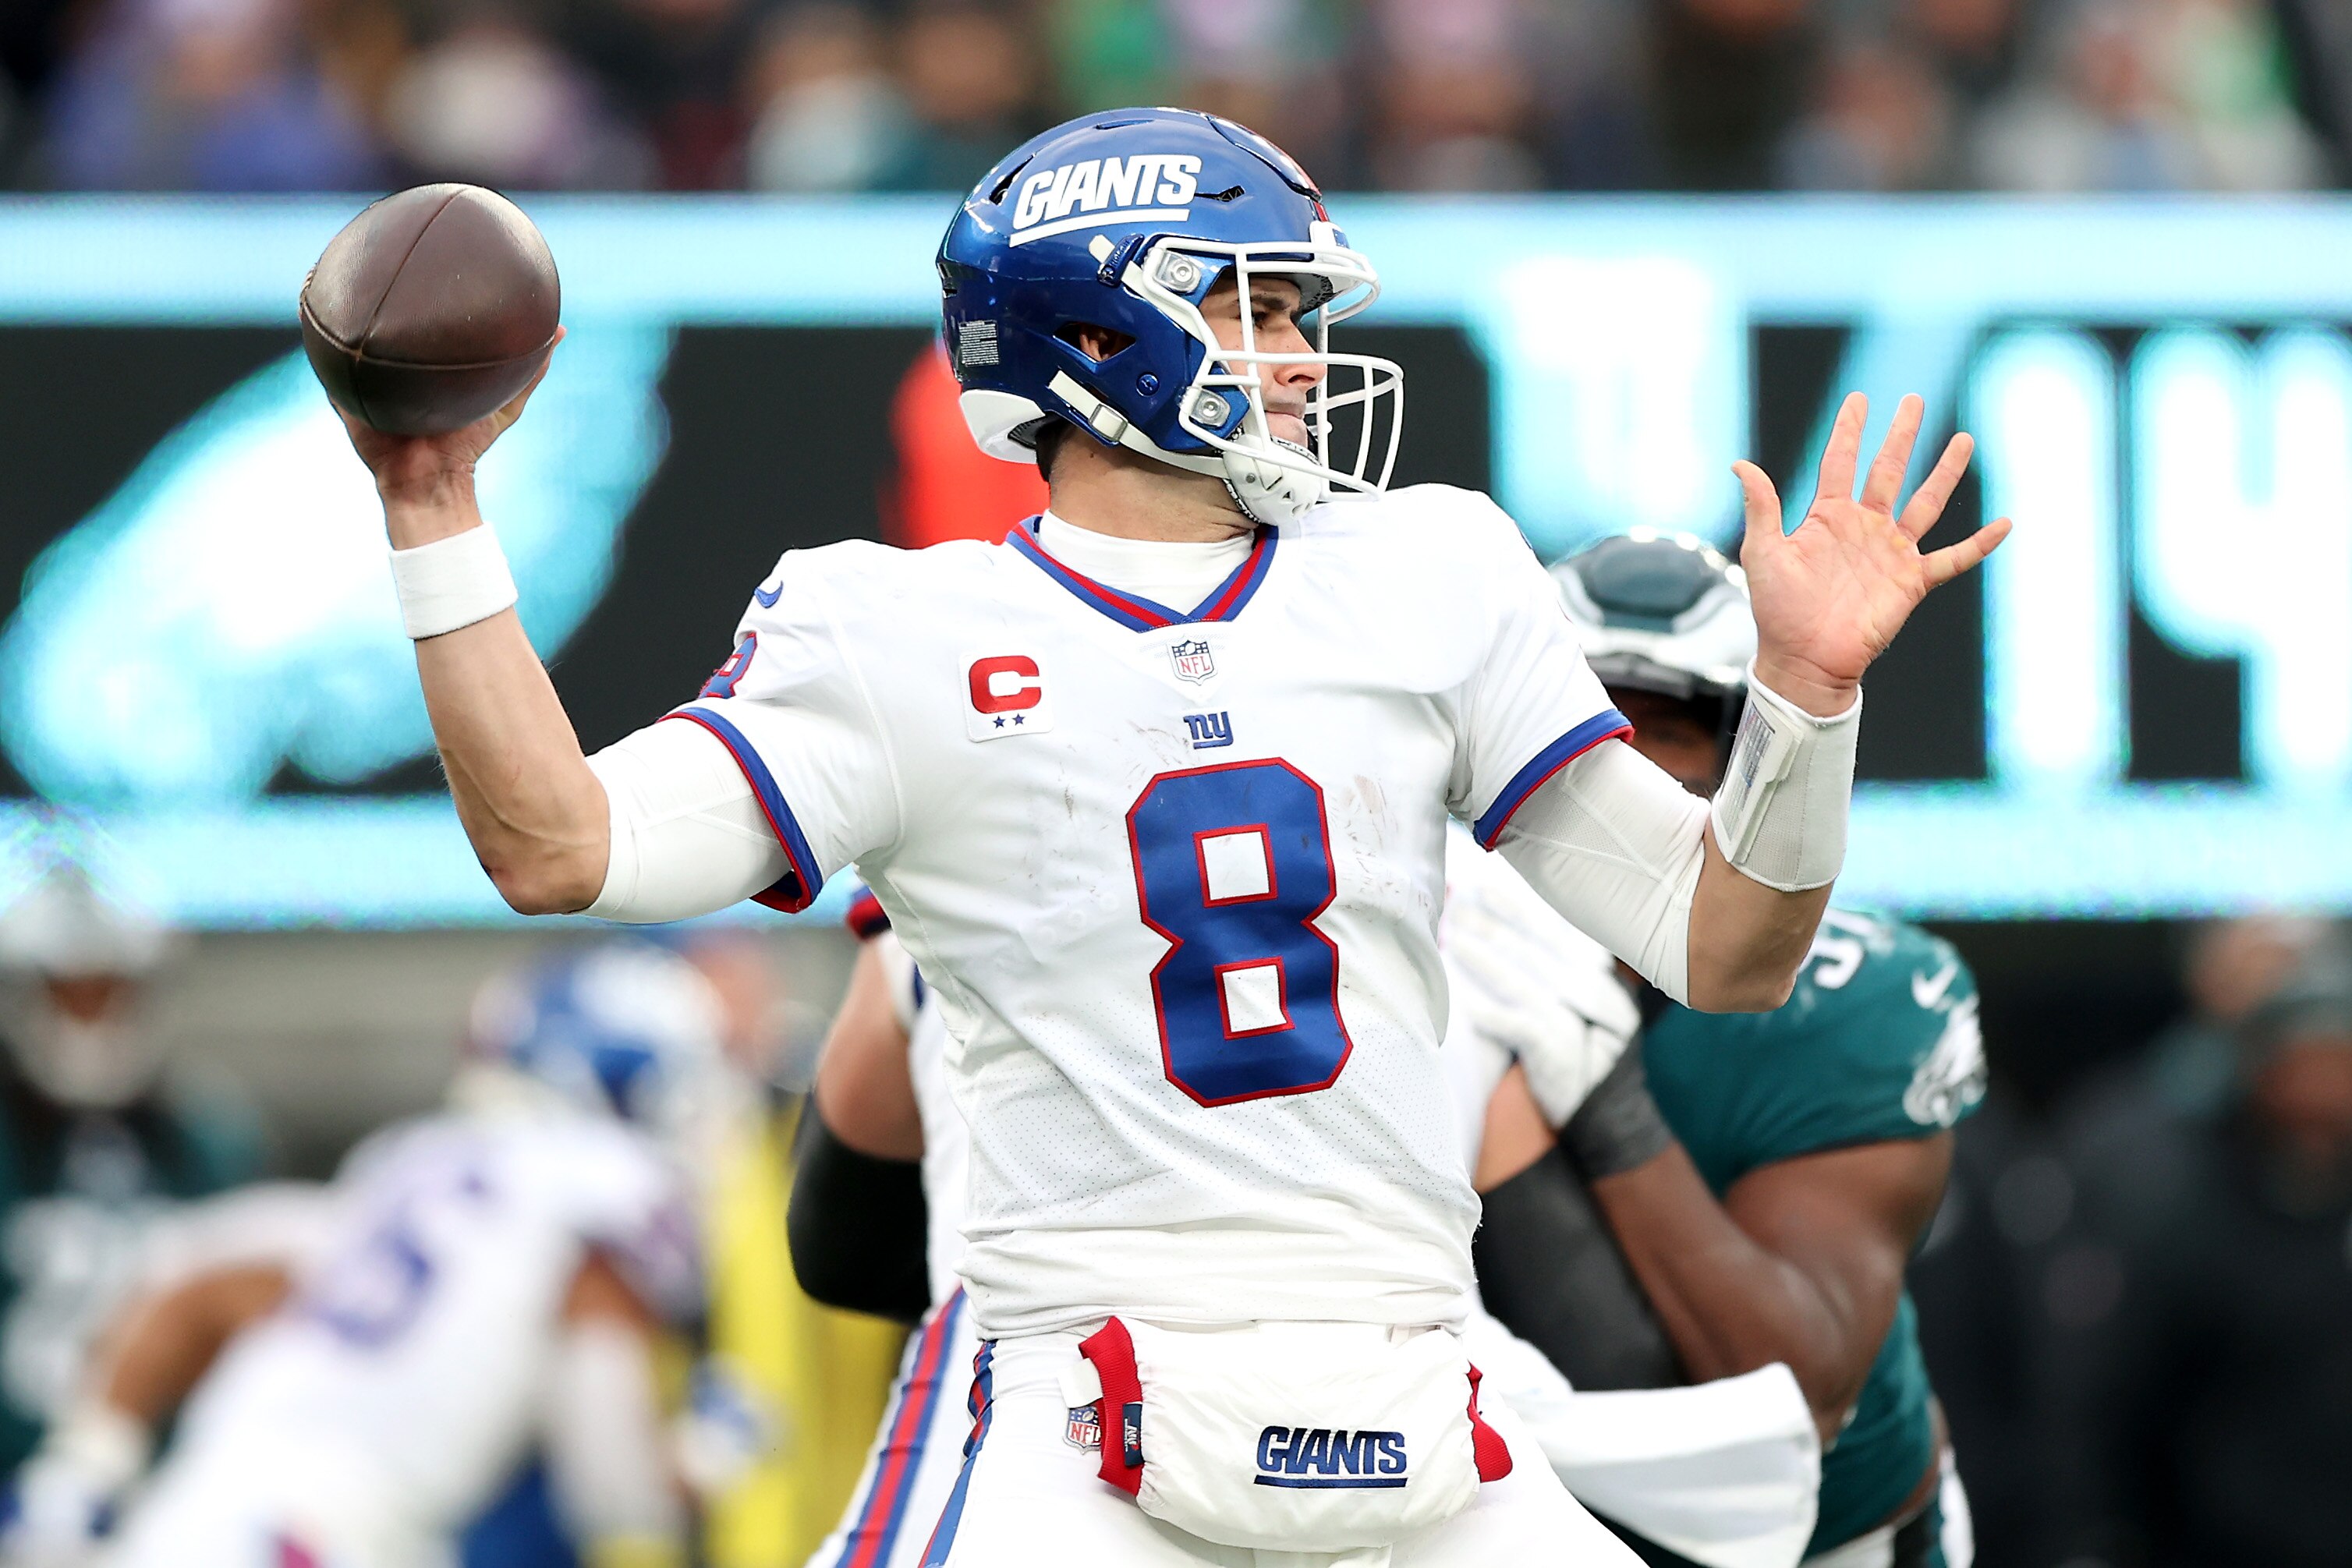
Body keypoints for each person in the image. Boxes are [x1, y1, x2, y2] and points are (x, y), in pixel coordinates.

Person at [338, 104, 2004, 1563]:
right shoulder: (892, 633)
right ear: (1102, 328)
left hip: (1413, 1364)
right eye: (1254, 303)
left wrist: (1799, 700)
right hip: (1079, 1384)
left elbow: (1722, 946)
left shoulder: (1425, 567)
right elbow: (557, 847)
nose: (1299, 354)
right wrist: (433, 506)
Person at [792, 890, 1822, 1568]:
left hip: (1066, 1390)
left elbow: (834, 1240)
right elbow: (1602, 1341)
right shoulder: (1501, 908)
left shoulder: (972, 840)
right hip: (1375, 1404)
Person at [1457, 533, 1983, 1568]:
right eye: (1586, 724)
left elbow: (1799, 1386)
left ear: (1749, 753)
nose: (1618, 773)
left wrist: (1604, 1097)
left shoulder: (1854, 997)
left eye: (1666, 731)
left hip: (1824, 1538)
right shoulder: (1433, 937)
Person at [1, 941, 716, 1568]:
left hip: (202, 1512)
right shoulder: (601, 1191)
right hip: (324, 1540)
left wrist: (86, 1467)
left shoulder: (417, 1160)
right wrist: (710, 1454)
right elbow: (614, 1494)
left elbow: (199, 1277)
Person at [2053, 965, 2352, 1567]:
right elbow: (2127, 1399)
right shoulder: (2191, 1204)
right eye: (2311, 1059)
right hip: (2221, 1534)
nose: (2329, 1087)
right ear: (2261, 1071)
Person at [0, 857, 261, 1479]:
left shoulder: (208, 1142)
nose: (91, 1017)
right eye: (70, 993)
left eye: (109, 991)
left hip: (161, 1500)